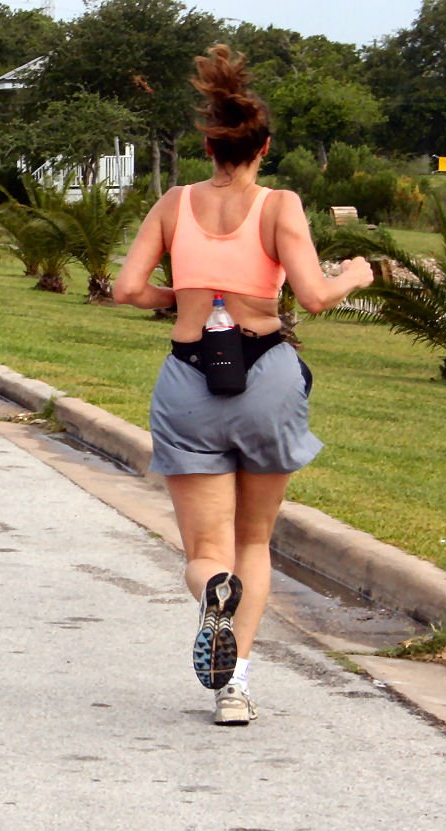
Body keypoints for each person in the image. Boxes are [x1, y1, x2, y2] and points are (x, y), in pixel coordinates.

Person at [113, 44, 373, 726]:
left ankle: (213, 591)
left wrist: (177, 297)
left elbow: (126, 288)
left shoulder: (174, 203)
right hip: (268, 375)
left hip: (190, 379)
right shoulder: (279, 205)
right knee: (256, 540)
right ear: (263, 148)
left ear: (209, 146)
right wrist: (359, 275)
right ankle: (237, 688)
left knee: (206, 551)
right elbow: (313, 295)